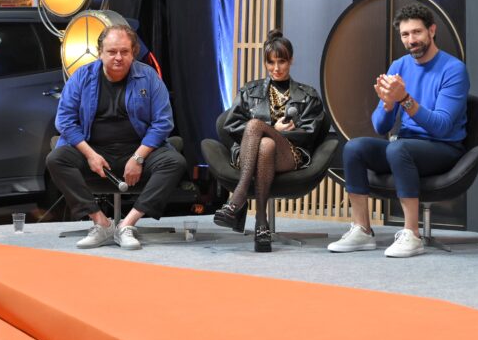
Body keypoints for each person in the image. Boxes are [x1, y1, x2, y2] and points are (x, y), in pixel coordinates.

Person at [328, 4, 469, 258]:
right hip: (405, 147)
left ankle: (412, 234)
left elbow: (441, 126)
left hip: (443, 148)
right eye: (405, 34)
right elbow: (380, 126)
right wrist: (388, 104)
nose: (411, 40)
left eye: (417, 32)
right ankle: (362, 229)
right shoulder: (399, 66)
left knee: (398, 148)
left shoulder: (453, 69)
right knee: (355, 148)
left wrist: (404, 99)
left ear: (432, 30)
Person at [46, 24, 186, 250]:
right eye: (112, 52)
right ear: (100, 52)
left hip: (137, 150)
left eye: (124, 51)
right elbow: (65, 121)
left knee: (174, 162)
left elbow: (163, 122)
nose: (118, 57)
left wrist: (138, 158)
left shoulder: (148, 77)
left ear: (133, 52)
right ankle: (101, 223)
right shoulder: (82, 77)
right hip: (94, 152)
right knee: (56, 159)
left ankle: (127, 225)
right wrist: (90, 155)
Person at [214, 30, 326, 252]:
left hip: (289, 154)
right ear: (265, 63)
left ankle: (238, 198)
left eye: (282, 61)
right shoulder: (249, 91)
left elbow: (311, 132)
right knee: (266, 144)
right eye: (271, 62)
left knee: (256, 125)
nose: (276, 68)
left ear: (291, 60)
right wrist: (272, 130)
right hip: (250, 153)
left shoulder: (307, 95)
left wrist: (276, 131)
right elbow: (231, 125)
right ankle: (261, 223)